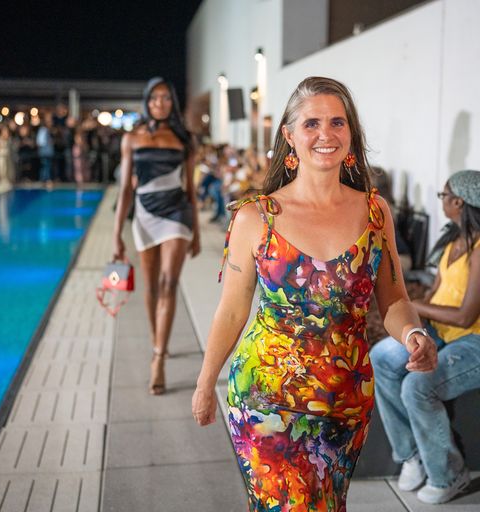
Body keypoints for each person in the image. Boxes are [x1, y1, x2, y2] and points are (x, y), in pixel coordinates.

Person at [192, 76, 437, 511]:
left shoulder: (375, 212)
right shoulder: (257, 217)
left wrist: (412, 334)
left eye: (337, 122)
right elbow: (231, 311)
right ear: (289, 136)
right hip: (268, 397)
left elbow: (394, 299)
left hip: (345, 399)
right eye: (312, 124)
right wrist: (205, 381)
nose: (326, 134)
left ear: (351, 133)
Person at [370, 169, 480, 505]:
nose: (441, 201)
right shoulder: (452, 241)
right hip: (443, 332)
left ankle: (449, 474)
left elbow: (465, 316)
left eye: (444, 195)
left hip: (473, 341)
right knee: (382, 357)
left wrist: (415, 305)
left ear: (459, 202)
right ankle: (412, 454)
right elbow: (435, 294)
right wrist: (415, 327)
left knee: (417, 386)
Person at [113, 77, 200, 395]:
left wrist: (196, 231)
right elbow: (125, 189)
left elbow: (190, 189)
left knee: (168, 283)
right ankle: (157, 341)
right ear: (147, 102)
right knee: (149, 286)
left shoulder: (184, 138)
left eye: (165, 98)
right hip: (145, 214)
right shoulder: (131, 138)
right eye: (154, 98)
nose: (160, 103)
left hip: (177, 213)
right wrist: (116, 234)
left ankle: (159, 358)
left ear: (172, 102)